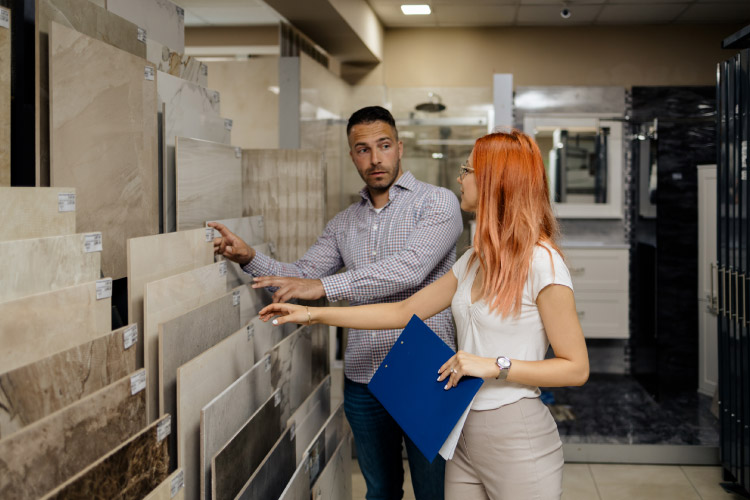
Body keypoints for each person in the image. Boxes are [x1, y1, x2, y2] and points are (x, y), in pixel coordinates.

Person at [259, 129, 590, 500]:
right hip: (462, 427)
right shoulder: (473, 261)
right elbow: (404, 311)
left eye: (468, 170)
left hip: (516, 429)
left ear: (495, 180)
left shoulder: (543, 263)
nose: (460, 178)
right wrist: (310, 315)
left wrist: (493, 364)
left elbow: (575, 367)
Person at [209, 106, 463, 500]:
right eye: (363, 149)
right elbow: (302, 274)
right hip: (364, 377)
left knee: (436, 492)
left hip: (429, 372)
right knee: (380, 490)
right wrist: (248, 257)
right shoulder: (343, 223)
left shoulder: (438, 204)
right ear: (352, 156)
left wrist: (324, 286)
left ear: (400, 148)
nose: (375, 159)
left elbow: (409, 270)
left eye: (383, 146)